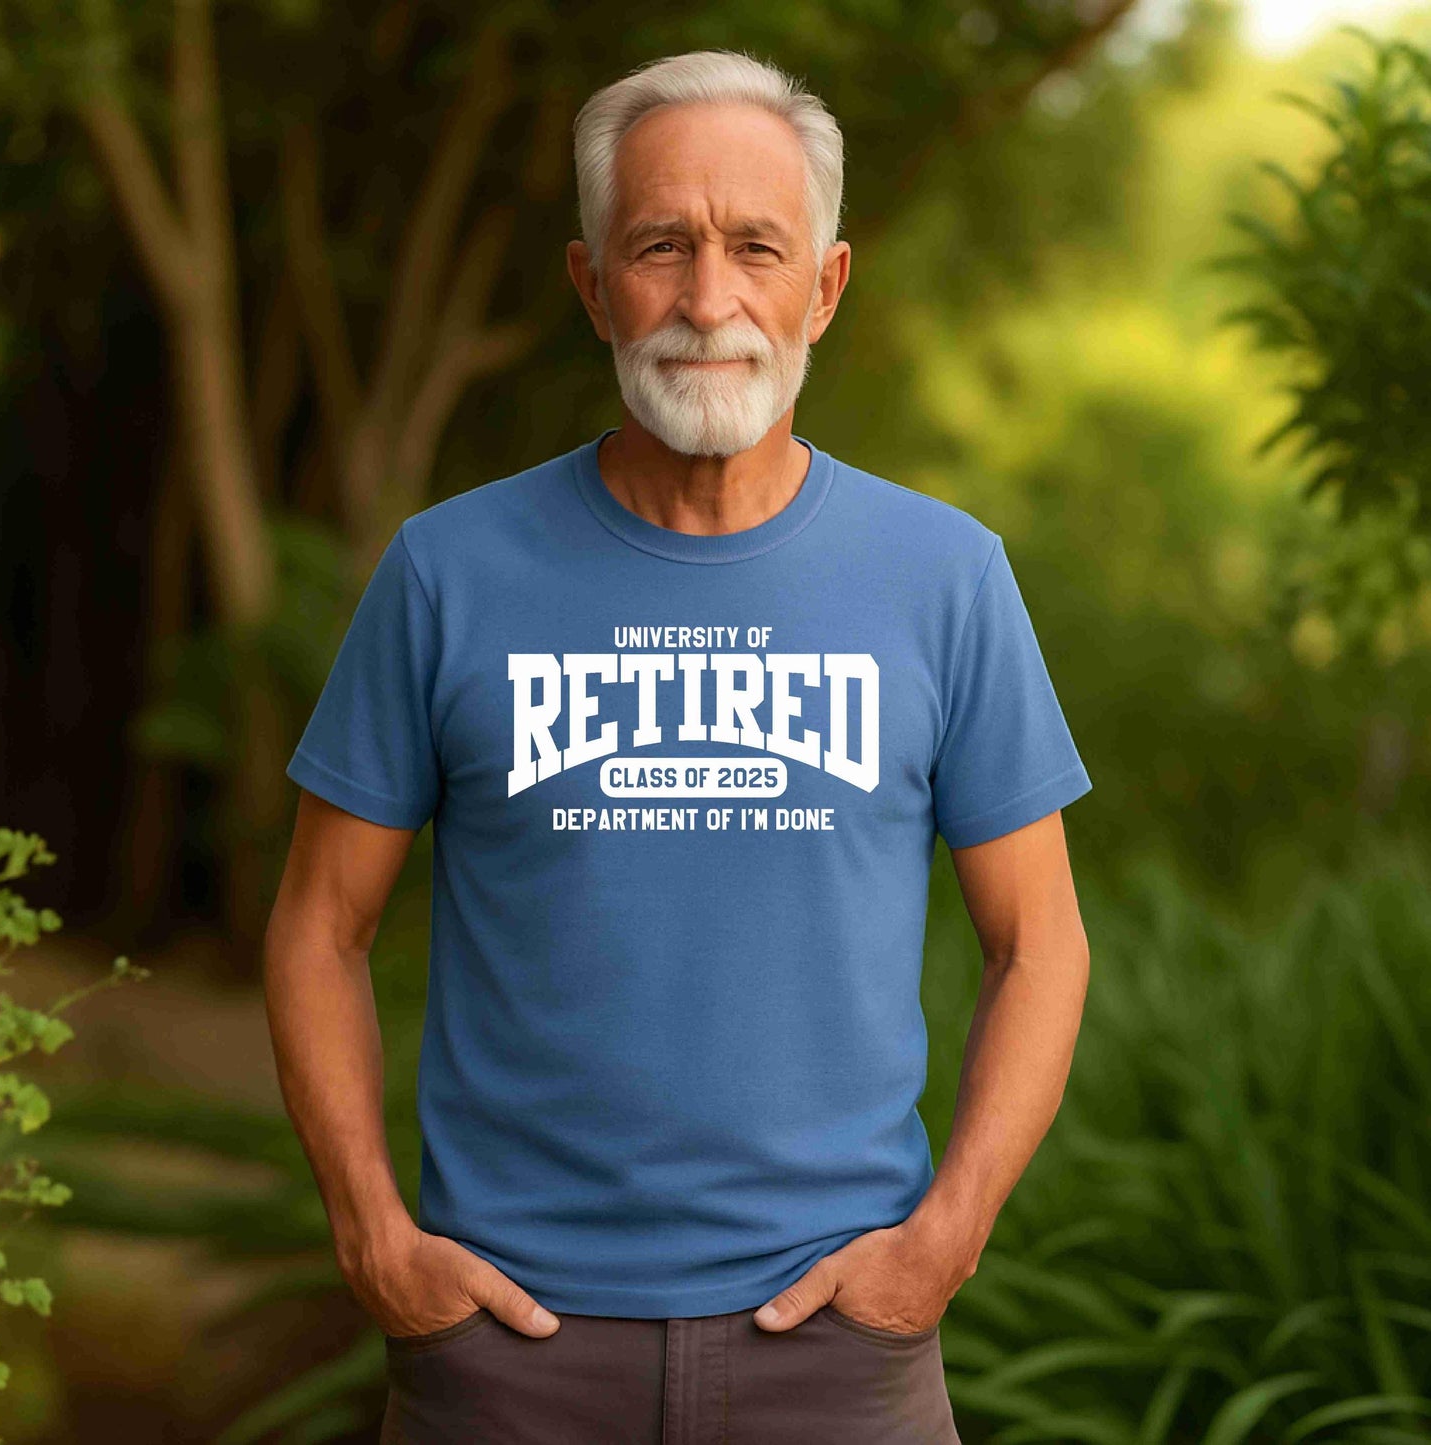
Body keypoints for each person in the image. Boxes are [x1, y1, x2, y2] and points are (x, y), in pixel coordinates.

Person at [265, 47, 1093, 1445]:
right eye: (659, 247)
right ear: (592, 282)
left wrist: (938, 1243)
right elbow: (316, 922)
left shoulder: (944, 579)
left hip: (839, 1357)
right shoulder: (445, 571)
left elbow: (1042, 943)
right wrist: (376, 1240)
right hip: (505, 1358)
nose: (708, 303)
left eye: (755, 248)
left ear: (823, 285)